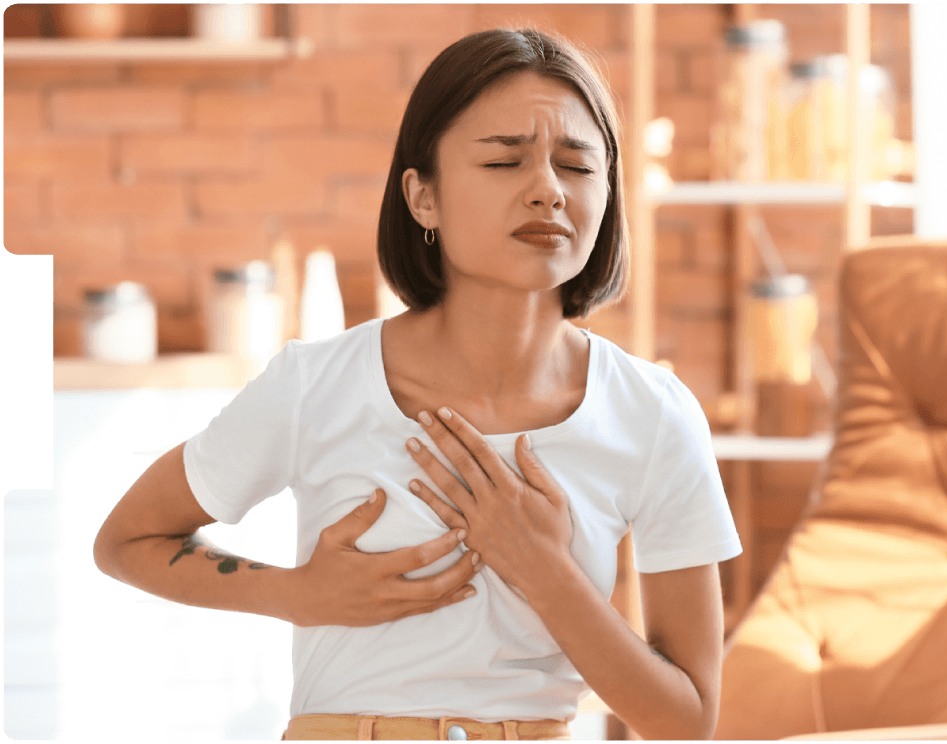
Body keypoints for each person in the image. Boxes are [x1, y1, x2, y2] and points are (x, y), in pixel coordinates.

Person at [94, 27, 741, 742]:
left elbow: (687, 722)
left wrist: (547, 573)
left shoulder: (653, 415)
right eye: (503, 161)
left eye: (577, 167)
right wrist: (297, 594)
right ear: (422, 196)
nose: (548, 191)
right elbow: (127, 541)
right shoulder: (316, 385)